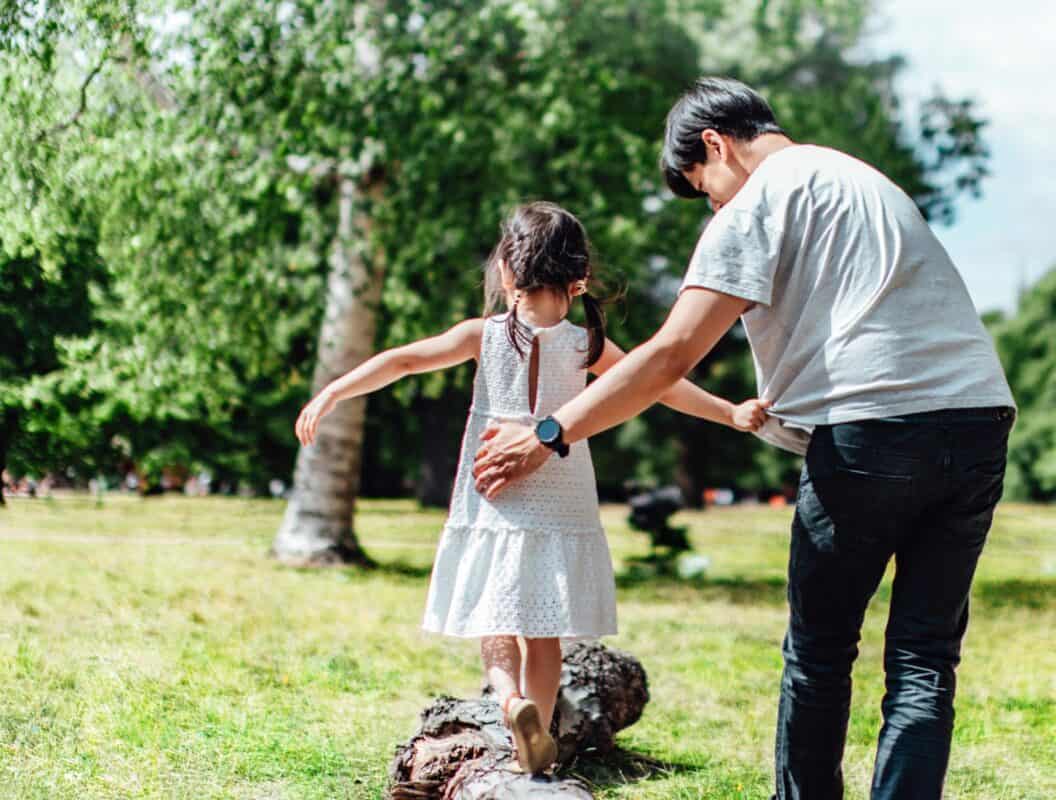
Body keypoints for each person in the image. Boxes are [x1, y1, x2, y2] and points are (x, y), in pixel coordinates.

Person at [472, 80, 1016, 799]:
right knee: (924, 658)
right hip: (978, 417)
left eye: (704, 189)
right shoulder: (867, 181)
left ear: (715, 146)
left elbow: (670, 354)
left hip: (871, 431)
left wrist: (549, 432)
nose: (714, 206)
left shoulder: (757, 203)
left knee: (820, 653)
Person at [295, 201, 769, 774]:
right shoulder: (587, 345)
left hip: (493, 492)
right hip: (560, 496)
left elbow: (401, 361)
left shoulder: (483, 335)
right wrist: (730, 412)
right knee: (544, 634)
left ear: (505, 274)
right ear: (580, 278)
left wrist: (332, 391)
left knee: (497, 626)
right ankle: (536, 739)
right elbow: (661, 385)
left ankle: (510, 701)